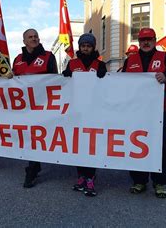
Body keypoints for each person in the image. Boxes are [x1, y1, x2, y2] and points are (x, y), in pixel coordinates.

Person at [120, 28, 166, 198]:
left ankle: (159, 182)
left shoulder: (165, 58)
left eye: (150, 39)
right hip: (135, 112)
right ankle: (139, 180)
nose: (146, 42)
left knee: (159, 146)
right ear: (139, 42)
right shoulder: (130, 61)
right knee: (136, 145)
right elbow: (121, 83)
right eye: (143, 39)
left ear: (155, 40)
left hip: (158, 112)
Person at [62, 33, 106, 197]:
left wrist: (104, 77)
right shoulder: (72, 63)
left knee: (91, 145)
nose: (85, 48)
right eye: (83, 45)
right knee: (79, 145)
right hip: (77, 111)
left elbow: (106, 86)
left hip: (94, 111)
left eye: (88, 45)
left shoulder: (99, 64)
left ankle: (90, 177)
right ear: (79, 47)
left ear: (93, 47)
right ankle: (81, 175)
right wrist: (65, 76)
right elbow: (65, 84)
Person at [12, 28, 58, 188]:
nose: (34, 39)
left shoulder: (48, 57)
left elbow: (55, 81)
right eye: (30, 37)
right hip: (24, 107)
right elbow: (13, 82)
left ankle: (31, 171)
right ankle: (35, 164)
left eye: (36, 36)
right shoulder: (17, 59)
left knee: (37, 137)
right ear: (24, 41)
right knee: (29, 137)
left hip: (43, 106)